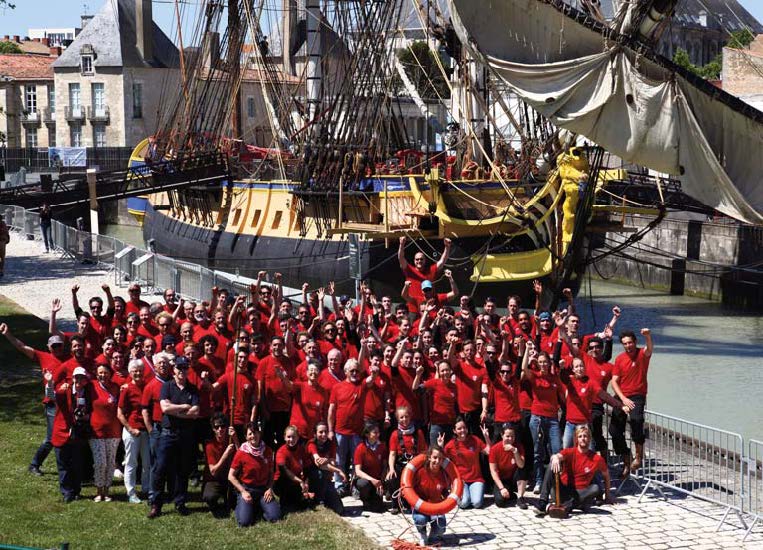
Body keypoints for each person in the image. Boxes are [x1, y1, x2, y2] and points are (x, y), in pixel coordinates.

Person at [0, 324, 69, 476]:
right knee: (51, 438)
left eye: (60, 345)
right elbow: (22, 347)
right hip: (51, 403)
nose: (57, 348)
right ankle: (34, 464)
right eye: (54, 346)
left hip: (66, 402)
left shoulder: (69, 358)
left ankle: (69, 466)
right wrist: (8, 334)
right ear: (49, 347)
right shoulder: (43, 357)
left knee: (67, 436)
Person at [148, 356, 200, 518]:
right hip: (167, 434)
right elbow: (164, 408)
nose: (182, 371)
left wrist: (175, 411)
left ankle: (180, 502)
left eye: (185, 368)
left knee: (182, 470)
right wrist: (184, 407)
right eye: (179, 368)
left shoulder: (193, 389)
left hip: (185, 435)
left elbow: (195, 413)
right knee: (160, 468)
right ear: (174, 369)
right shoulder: (167, 386)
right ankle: (156, 504)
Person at [535, 425, 613, 516]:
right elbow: (559, 456)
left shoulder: (597, 458)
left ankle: (564, 508)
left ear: (589, 438)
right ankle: (543, 502)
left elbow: (606, 475)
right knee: (551, 465)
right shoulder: (570, 452)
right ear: (576, 439)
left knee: (596, 488)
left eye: (585, 436)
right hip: (563, 490)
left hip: (580, 494)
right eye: (580, 436)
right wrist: (555, 457)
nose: (583, 439)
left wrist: (607, 496)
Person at [610, 328, 654, 477]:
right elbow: (614, 381)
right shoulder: (620, 359)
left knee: (636, 420)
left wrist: (647, 336)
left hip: (637, 395)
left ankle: (639, 456)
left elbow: (649, 349)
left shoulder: (642, 354)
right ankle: (625, 457)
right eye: (624, 344)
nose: (628, 346)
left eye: (630, 343)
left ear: (635, 342)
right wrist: (622, 399)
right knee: (614, 430)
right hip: (622, 396)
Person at [51, 366, 92, 503]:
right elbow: (52, 396)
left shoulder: (88, 393)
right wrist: (50, 383)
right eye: (77, 377)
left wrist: (87, 416)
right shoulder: (65, 390)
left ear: (86, 380)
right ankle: (67, 492)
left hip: (79, 432)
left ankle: (76, 490)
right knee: (63, 464)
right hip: (62, 432)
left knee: (77, 464)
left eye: (82, 377)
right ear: (73, 378)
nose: (79, 380)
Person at [228, 422, 281, 526]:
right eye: (250, 434)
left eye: (255, 432)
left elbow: (271, 473)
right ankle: (244, 506)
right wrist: (243, 492)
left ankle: (257, 506)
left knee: (275, 517)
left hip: (263, 489)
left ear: (259, 433)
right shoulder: (241, 452)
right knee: (244, 522)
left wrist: (270, 488)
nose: (253, 436)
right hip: (247, 489)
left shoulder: (268, 451)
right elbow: (231, 476)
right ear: (246, 437)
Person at [117, 358, 151, 503]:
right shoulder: (126, 389)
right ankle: (131, 492)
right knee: (131, 462)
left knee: (147, 463)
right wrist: (130, 429)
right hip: (132, 430)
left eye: (140, 371)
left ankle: (146, 488)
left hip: (146, 430)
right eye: (135, 371)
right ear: (130, 372)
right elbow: (119, 413)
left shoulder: (147, 386)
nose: (138, 373)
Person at [90, 364, 122, 502]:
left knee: (110, 463)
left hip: (114, 431)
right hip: (96, 431)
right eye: (100, 373)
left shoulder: (116, 388)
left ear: (110, 373)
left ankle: (107, 491)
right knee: (100, 462)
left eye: (106, 372)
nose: (103, 375)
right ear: (97, 374)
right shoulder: (91, 387)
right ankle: (99, 490)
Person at [444, 418, 492, 509]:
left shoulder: (475, 440)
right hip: (461, 480)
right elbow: (442, 461)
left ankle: (469, 494)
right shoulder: (450, 445)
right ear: (454, 431)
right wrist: (440, 446)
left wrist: (486, 437)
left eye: (464, 428)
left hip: (476, 479)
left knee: (477, 503)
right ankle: (458, 493)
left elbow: (489, 451)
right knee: (464, 503)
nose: (462, 430)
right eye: (459, 428)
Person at [398, 236, 451, 313]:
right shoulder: (409, 270)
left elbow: (442, 261)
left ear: (425, 260)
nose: (419, 261)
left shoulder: (431, 270)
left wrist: (447, 247)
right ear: (414, 261)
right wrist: (401, 245)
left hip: (429, 308)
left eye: (421, 259)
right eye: (417, 259)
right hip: (412, 309)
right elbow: (401, 258)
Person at [411, 445, 451, 546]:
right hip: (420, 507)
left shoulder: (444, 474)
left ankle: (432, 537)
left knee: (441, 527)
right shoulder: (420, 472)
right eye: (435, 457)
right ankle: (422, 534)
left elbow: (445, 492)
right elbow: (409, 488)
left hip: (435, 507)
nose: (437, 461)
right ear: (429, 457)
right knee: (420, 519)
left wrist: (450, 498)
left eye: (440, 458)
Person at [203, 413, 239, 514]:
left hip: (229, 479)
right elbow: (213, 471)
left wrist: (235, 438)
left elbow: (242, 456)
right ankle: (214, 504)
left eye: (222, 426)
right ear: (213, 429)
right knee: (209, 496)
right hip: (214, 480)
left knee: (236, 501)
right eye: (216, 427)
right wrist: (225, 454)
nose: (220, 429)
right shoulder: (209, 445)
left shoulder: (231, 440)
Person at [274, 425, 315, 513]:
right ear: (284, 437)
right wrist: (300, 482)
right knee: (292, 506)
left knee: (304, 504)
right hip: (282, 481)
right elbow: (284, 470)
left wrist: (306, 482)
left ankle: (303, 496)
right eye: (289, 437)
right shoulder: (281, 451)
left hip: (296, 481)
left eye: (294, 437)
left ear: (298, 437)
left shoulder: (301, 449)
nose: (291, 440)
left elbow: (307, 467)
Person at [306, 421, 345, 514]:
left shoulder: (331, 443)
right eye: (320, 432)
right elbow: (318, 463)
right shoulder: (311, 444)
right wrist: (338, 471)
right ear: (315, 434)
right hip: (312, 478)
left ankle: (326, 498)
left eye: (325, 432)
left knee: (339, 509)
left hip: (326, 478)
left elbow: (333, 461)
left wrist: (327, 460)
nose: (323, 434)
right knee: (319, 473)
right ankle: (319, 500)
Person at [353, 423, 389, 512]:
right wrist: (372, 480)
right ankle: (365, 499)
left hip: (378, 480)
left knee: (378, 507)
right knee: (363, 484)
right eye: (375, 433)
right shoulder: (360, 448)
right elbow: (358, 471)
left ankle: (377, 497)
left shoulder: (382, 446)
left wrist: (382, 479)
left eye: (378, 432)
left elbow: (384, 465)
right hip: (366, 480)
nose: (377, 435)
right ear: (367, 434)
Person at [488, 425, 527, 508]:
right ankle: (510, 493)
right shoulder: (494, 449)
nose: (510, 439)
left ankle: (520, 498)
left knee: (523, 468)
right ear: (502, 435)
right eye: (507, 436)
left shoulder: (518, 446)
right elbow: (493, 471)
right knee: (500, 502)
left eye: (512, 436)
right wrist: (502, 488)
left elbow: (521, 465)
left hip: (514, 478)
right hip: (502, 479)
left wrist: (515, 451)